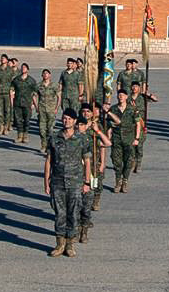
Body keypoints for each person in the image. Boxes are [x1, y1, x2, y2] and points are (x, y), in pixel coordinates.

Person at [44, 108, 91, 257]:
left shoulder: (81, 138)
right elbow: (49, 160)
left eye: (70, 119)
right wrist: (46, 181)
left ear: (75, 121)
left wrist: (87, 182)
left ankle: (70, 244)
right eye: (64, 118)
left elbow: (87, 161)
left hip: (75, 182)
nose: (66, 121)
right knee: (59, 214)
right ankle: (59, 244)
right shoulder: (54, 137)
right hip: (57, 182)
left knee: (73, 214)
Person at [74, 109, 110, 243]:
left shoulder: (91, 136)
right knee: (75, 205)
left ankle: (84, 231)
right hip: (74, 175)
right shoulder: (70, 137)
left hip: (92, 172)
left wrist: (98, 131)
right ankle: (76, 229)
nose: (79, 127)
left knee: (87, 203)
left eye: (82, 125)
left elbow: (107, 144)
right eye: (77, 125)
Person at [109, 88, 143, 193]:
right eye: (119, 95)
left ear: (126, 97)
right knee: (117, 161)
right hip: (116, 139)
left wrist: (137, 138)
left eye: (123, 95)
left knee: (128, 161)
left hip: (129, 139)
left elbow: (138, 124)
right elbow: (109, 125)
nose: (121, 97)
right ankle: (118, 181)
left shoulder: (132, 109)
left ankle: (125, 181)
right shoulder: (113, 109)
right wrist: (108, 136)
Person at [10, 62, 39, 145]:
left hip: (27, 103)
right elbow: (11, 90)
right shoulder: (16, 79)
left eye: (25, 68)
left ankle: (25, 135)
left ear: (28, 70)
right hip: (17, 103)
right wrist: (12, 101)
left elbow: (35, 93)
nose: (23, 69)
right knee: (18, 120)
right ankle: (19, 136)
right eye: (22, 68)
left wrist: (34, 104)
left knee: (27, 120)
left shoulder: (31, 80)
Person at [36, 68, 62, 150]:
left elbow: (59, 97)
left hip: (51, 109)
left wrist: (56, 108)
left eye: (47, 73)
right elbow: (34, 96)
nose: (45, 75)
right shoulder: (39, 85)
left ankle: (50, 146)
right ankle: (43, 145)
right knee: (42, 129)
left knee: (50, 129)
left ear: (50, 75)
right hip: (42, 109)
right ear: (42, 75)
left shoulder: (54, 85)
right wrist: (36, 106)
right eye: (44, 73)